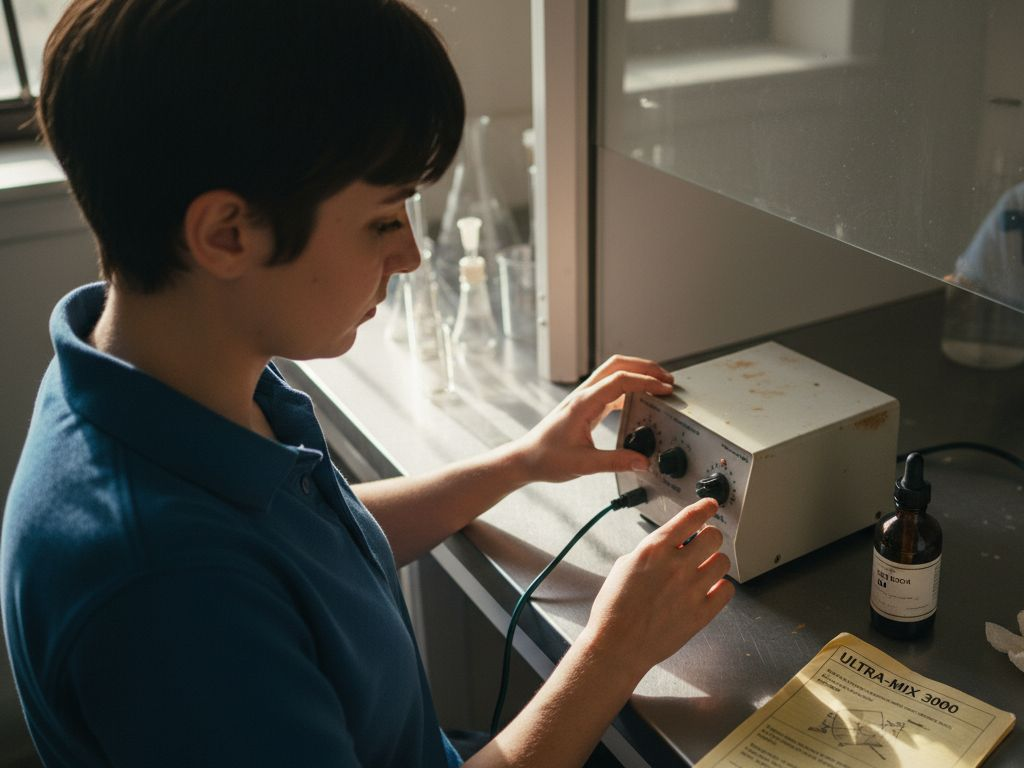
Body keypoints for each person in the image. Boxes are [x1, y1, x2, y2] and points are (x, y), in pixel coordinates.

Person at [0, 1, 734, 766]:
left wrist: (520, 462)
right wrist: (611, 655)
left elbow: (306, 547)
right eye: (385, 219)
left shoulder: (150, 376)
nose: (411, 254)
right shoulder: (169, 595)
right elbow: (237, 577)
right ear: (227, 234)